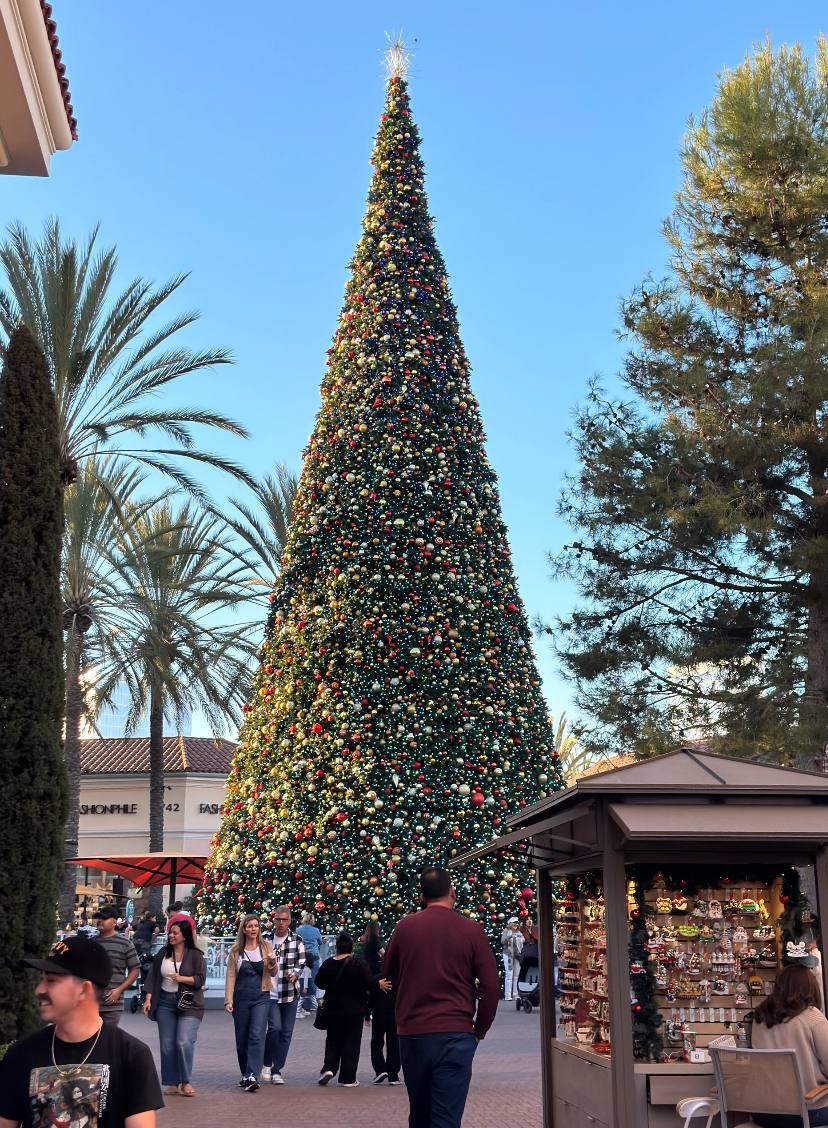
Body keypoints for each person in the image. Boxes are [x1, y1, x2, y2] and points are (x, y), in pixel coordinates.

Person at [0, 934, 163, 1128]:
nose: (39, 990)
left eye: (51, 981)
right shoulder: (20, 1054)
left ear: (84, 990)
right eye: (41, 980)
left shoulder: (131, 1055)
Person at [383, 866, 501, 1128]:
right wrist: (479, 1029)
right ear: (452, 892)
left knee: (420, 1113)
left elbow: (388, 972)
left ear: (422, 896)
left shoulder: (405, 928)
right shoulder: (471, 930)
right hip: (455, 1033)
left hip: (413, 1033)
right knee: (446, 1117)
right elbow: (492, 986)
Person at [751, 963, 828, 1127]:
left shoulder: (760, 1019)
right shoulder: (813, 1017)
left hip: (763, 1113)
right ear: (810, 988)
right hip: (807, 1112)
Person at [143, 919, 205, 1098]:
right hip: (165, 1002)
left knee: (184, 1041)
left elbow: (200, 980)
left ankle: (185, 1081)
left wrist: (182, 979)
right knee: (167, 1044)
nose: (171, 935)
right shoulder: (163, 953)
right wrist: (148, 998)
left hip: (189, 1004)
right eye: (170, 932)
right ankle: (171, 1082)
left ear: (185, 936)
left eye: (175, 933)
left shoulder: (195, 955)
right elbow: (154, 977)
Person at [224, 914, 276, 1092]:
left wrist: (273, 962)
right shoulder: (236, 950)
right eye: (250, 926)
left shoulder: (266, 947)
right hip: (241, 997)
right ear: (244, 929)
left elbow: (274, 972)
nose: (254, 929)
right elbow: (231, 976)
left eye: (256, 926)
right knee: (242, 1038)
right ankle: (245, 1074)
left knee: (256, 1035)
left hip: (261, 996)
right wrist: (228, 1000)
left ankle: (253, 1073)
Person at [316, 932, 375, 1087]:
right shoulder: (359, 964)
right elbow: (369, 983)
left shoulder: (328, 963)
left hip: (333, 1008)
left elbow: (319, 982)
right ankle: (348, 1077)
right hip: (355, 1009)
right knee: (352, 1042)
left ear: (337, 947)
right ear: (351, 947)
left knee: (333, 1039)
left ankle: (329, 1067)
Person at [261, 905, 305, 1085]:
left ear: (289, 921)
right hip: (269, 992)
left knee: (286, 1032)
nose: (280, 923)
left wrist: (295, 974)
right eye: (278, 919)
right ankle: (266, 1062)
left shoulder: (297, 940)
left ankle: (277, 1069)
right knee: (275, 1028)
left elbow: (301, 962)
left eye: (284, 920)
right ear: (274, 920)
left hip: (289, 993)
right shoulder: (265, 939)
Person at [93, 906, 140, 1027]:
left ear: (114, 922)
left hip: (112, 1005)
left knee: (108, 1041)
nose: (100, 920)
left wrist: (119, 990)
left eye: (104, 918)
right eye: (99, 917)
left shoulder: (125, 943)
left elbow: (135, 970)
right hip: (90, 1004)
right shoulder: (91, 943)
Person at [296, 911, 323, 1017]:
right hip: (313, 957)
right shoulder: (316, 930)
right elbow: (320, 942)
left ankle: (302, 1005)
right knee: (313, 980)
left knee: (302, 979)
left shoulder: (299, 930)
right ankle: (312, 1003)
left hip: (302, 956)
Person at [500, 917, 523, 1001]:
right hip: (508, 955)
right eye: (514, 923)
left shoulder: (519, 933)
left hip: (517, 956)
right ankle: (507, 995)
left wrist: (521, 939)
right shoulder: (506, 931)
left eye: (516, 923)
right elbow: (502, 941)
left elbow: (522, 943)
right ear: (510, 924)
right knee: (509, 974)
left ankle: (515, 994)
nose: (515, 925)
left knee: (516, 975)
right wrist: (509, 937)